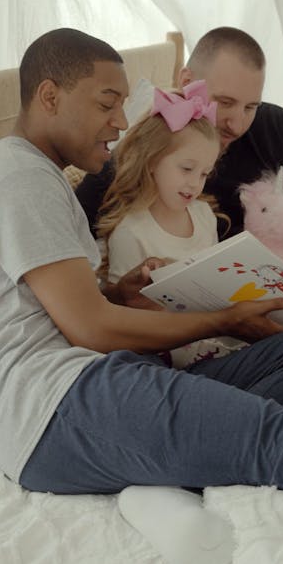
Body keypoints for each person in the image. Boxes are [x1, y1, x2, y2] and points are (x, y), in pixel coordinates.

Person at [0, 28, 283, 564]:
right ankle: (176, 456)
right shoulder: (18, 179)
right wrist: (223, 318)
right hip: (52, 408)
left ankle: (167, 459)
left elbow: (69, 307)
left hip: (85, 389)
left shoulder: (38, 177)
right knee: (281, 434)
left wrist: (122, 292)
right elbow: (90, 329)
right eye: (107, 103)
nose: (120, 122)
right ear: (50, 96)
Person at [75, 28, 283, 310]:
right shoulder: (139, 159)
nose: (237, 124)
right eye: (225, 103)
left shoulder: (279, 128)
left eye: (251, 107)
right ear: (187, 81)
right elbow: (73, 261)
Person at [97, 79, 242, 368]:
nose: (195, 183)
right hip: (161, 354)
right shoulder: (131, 231)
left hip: (214, 341)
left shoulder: (204, 216)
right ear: (152, 161)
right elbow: (121, 316)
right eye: (187, 169)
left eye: (204, 174)